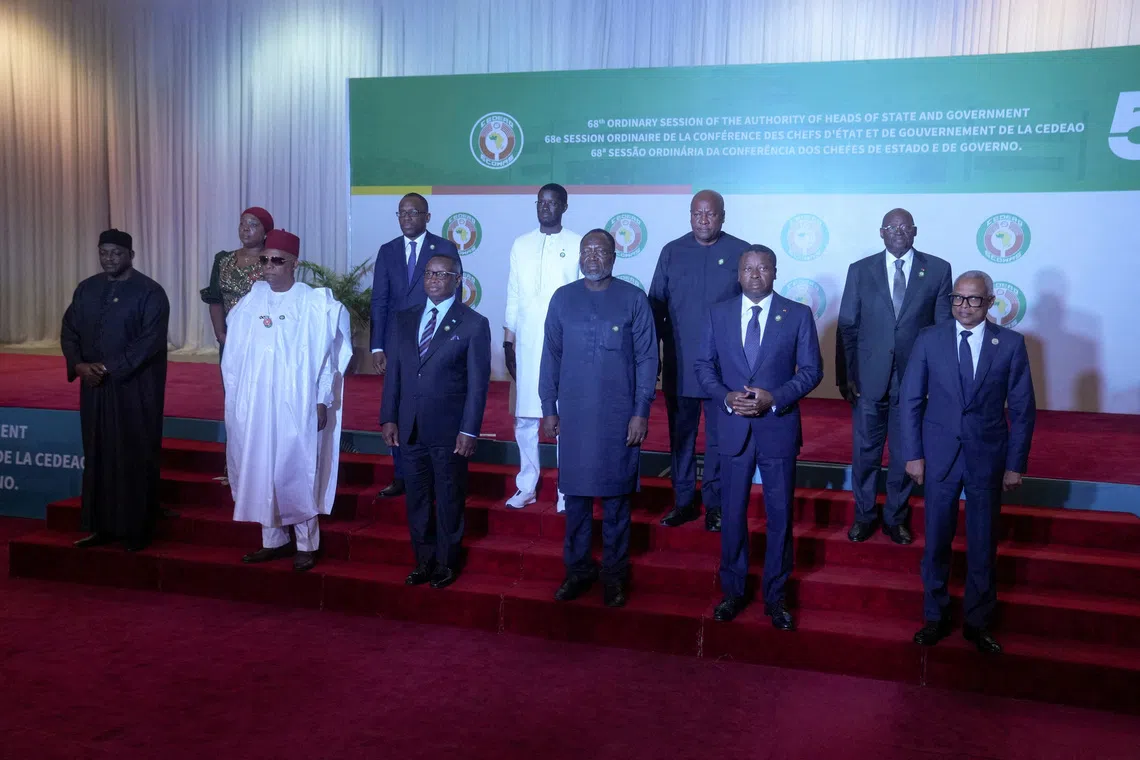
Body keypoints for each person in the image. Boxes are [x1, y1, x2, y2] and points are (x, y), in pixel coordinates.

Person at [902, 271, 1036, 655]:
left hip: (987, 457)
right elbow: (910, 400)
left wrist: (1015, 463)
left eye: (973, 299)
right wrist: (912, 454)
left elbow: (1023, 410)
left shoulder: (1010, 344)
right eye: (958, 298)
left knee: (982, 544)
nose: (964, 306)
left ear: (990, 302)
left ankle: (978, 622)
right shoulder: (929, 339)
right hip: (939, 457)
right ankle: (935, 615)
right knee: (936, 542)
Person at [694, 245, 822, 630]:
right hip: (732, 429)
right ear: (738, 274)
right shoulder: (717, 314)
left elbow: (812, 370)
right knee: (732, 515)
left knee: (780, 516)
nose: (755, 274)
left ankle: (776, 597)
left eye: (763, 268)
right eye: (748, 268)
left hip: (777, 428)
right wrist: (726, 397)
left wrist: (775, 398)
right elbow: (703, 366)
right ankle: (733, 591)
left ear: (775, 272)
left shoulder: (797, 314)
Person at [222, 230, 353, 572]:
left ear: (294, 264)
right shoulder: (251, 301)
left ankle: (307, 544)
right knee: (261, 464)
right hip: (257, 401)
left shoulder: (314, 304)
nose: (268, 266)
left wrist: (322, 398)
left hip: (297, 400)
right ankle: (273, 540)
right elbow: (234, 355)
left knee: (296, 466)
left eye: (277, 261)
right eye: (264, 260)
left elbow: (330, 357)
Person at [540, 230, 658, 608]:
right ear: (579, 256)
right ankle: (577, 571)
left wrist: (640, 412)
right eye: (586, 250)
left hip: (618, 419)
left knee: (616, 502)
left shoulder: (633, 299)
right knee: (575, 500)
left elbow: (647, 359)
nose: (593, 257)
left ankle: (614, 575)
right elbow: (551, 356)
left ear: (614, 257)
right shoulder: (563, 298)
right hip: (574, 417)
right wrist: (548, 407)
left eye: (601, 250)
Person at [836, 208, 953, 545]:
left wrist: (936, 380)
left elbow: (942, 330)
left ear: (915, 231)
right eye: (891, 226)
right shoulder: (860, 270)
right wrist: (845, 376)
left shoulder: (938, 269)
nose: (898, 231)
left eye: (904, 226)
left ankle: (895, 518)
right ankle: (864, 515)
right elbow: (847, 326)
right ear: (881, 232)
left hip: (914, 378)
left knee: (904, 451)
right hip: (869, 376)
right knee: (865, 452)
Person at [380, 255, 491, 589]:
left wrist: (469, 429)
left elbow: (478, 385)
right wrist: (389, 417)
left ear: (457, 280)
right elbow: (395, 374)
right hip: (409, 427)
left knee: (448, 498)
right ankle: (424, 561)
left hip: (450, 430)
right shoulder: (404, 319)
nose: (433, 279)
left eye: (442, 274)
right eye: (429, 273)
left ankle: (446, 562)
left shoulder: (473, 323)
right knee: (416, 499)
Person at [61, 229, 169, 552]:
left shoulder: (150, 292)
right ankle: (100, 526)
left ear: (131, 256)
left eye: (116, 253)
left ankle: (137, 530)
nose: (109, 259)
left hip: (135, 388)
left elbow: (149, 342)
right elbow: (69, 330)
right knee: (97, 453)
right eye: (104, 252)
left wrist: (108, 368)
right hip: (94, 387)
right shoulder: (87, 289)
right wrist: (79, 365)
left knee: (134, 453)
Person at [649, 190, 750, 532]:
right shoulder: (672, 251)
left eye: (710, 214)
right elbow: (656, 307)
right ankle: (683, 502)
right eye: (697, 213)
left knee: (720, 441)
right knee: (681, 439)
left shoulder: (740, 252)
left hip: (725, 371)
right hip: (680, 365)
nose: (703, 220)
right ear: (690, 216)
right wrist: (653, 357)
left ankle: (715, 505)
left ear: (723, 216)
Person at [370, 193, 460, 499]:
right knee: (398, 405)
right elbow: (379, 300)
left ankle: (434, 472)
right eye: (402, 213)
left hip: (433, 342)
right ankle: (402, 474)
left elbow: (455, 298)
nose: (407, 218)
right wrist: (377, 346)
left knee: (431, 403)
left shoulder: (445, 248)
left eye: (413, 213)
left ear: (427, 217)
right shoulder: (388, 251)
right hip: (398, 343)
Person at [502, 183, 581, 512]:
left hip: (565, 344)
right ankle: (527, 485)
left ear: (564, 207)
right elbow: (514, 294)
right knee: (524, 417)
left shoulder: (577, 243)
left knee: (563, 418)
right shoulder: (521, 244)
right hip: (527, 342)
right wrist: (508, 339)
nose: (545, 207)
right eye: (540, 202)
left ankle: (566, 489)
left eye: (551, 203)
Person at [199, 206, 273, 483]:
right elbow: (215, 299)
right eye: (242, 223)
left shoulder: (272, 259)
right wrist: (221, 334)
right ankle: (235, 468)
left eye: (253, 224)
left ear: (265, 232)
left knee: (262, 402)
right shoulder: (224, 260)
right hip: (231, 344)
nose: (245, 229)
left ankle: (261, 468)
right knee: (235, 403)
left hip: (264, 343)